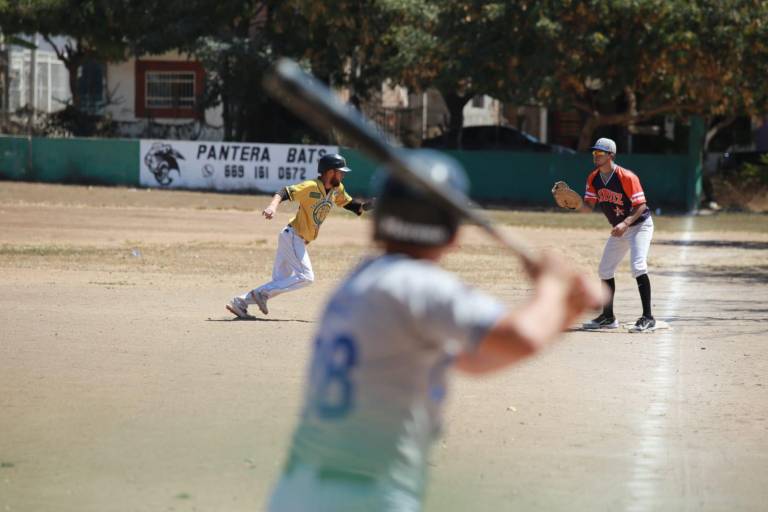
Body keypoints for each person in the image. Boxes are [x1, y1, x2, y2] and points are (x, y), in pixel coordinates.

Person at [266, 151, 604, 511]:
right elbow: (520, 337)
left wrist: (565, 310)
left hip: (296, 494)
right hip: (368, 496)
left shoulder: (363, 279)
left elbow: (473, 359)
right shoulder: (420, 286)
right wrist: (552, 287)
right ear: (452, 234)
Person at [227, 153, 372, 318]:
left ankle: (240, 302)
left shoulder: (336, 189)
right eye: (340, 171)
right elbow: (284, 191)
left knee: (281, 281)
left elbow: (351, 205)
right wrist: (272, 207)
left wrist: (369, 206)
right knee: (306, 277)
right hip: (293, 236)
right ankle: (259, 294)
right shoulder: (310, 186)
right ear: (330, 172)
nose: (343, 175)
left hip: (296, 240)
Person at [578, 138, 656, 332]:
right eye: (594, 153)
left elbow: (641, 205)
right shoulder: (593, 178)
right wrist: (572, 203)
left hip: (639, 225)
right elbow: (588, 207)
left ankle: (648, 317)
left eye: (600, 153)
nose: (596, 156)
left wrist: (625, 222)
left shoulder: (626, 176)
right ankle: (608, 317)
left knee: (638, 266)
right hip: (619, 228)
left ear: (611, 155)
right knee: (605, 269)